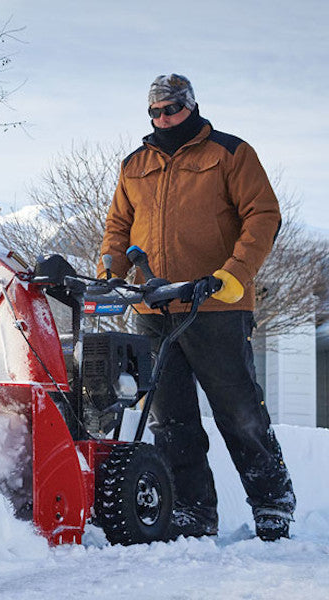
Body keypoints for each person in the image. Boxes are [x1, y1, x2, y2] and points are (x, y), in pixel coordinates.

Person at [97, 74, 296, 541]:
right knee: (171, 416)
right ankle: (192, 508)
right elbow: (117, 227)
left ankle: (272, 502)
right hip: (153, 308)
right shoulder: (135, 164)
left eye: (171, 109)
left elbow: (263, 214)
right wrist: (111, 272)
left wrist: (234, 274)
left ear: (191, 106)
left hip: (216, 305)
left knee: (239, 410)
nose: (163, 118)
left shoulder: (229, 153)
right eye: (155, 111)